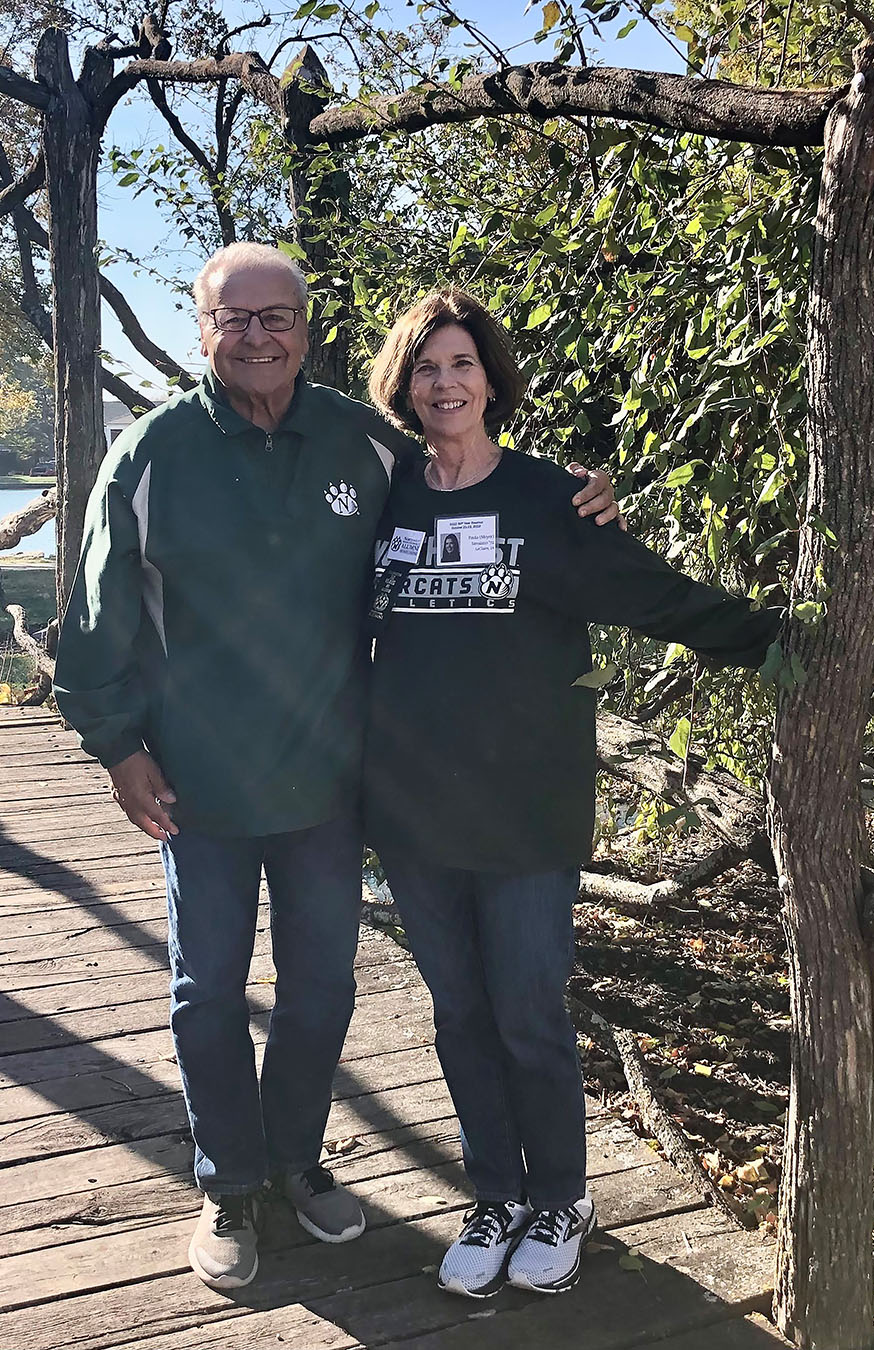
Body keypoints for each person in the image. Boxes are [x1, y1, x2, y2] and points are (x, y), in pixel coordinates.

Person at [52, 244, 619, 1291]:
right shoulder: (149, 456)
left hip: (330, 785)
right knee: (205, 991)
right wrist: (120, 749)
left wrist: (576, 493)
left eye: (278, 317)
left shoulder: (364, 444)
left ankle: (300, 1161)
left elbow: (470, 475)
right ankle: (230, 1185)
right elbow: (93, 625)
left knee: (321, 989)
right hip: (197, 788)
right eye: (237, 319)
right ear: (203, 329)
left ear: (308, 327)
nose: (258, 336)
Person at [363, 288, 784, 1300]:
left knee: (525, 1014)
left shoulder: (554, 500)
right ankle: (495, 1194)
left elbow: (655, 596)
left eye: (462, 363)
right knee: (458, 1015)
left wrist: (785, 635)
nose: (445, 382)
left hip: (525, 814)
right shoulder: (381, 499)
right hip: (414, 813)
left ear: (491, 380)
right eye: (426, 367)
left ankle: (560, 1195)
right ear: (404, 386)